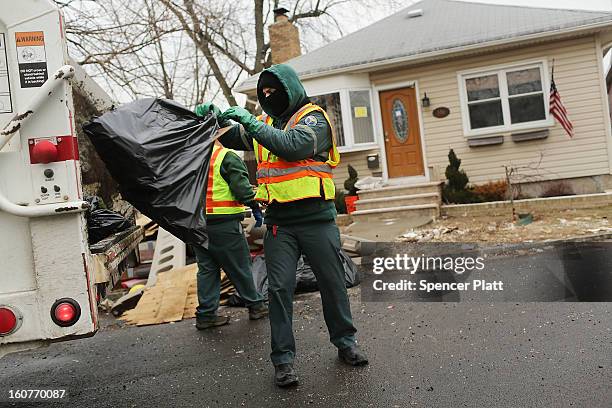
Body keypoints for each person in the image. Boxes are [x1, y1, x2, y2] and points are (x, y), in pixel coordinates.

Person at [197, 63, 368, 387]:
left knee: (332, 284)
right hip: (280, 225)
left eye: (275, 91)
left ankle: (346, 343)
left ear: (291, 89)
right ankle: (283, 361)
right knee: (278, 290)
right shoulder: (263, 124)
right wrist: (216, 118)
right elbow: (234, 136)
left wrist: (248, 121)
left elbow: (293, 145)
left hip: (317, 221)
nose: (269, 97)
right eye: (264, 93)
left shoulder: (314, 118)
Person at [189, 135, 268, 330]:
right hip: (224, 224)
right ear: (218, 136)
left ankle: (206, 315)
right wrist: (254, 204)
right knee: (239, 266)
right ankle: (256, 306)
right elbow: (242, 190)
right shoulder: (226, 157)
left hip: (197, 224)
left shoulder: (190, 159)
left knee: (207, 269)